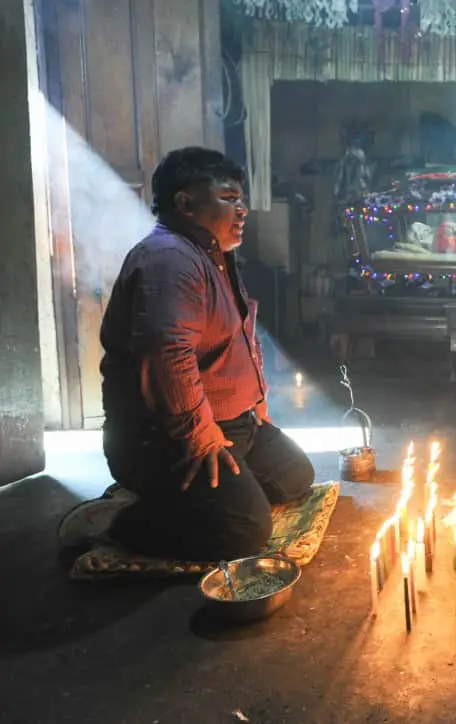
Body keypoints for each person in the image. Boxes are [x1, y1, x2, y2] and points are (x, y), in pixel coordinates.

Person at [98, 147, 315, 561]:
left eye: (241, 200)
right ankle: (124, 524)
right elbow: (168, 356)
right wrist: (199, 438)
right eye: (229, 198)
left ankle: (196, 500)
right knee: (245, 531)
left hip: (233, 425)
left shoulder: (213, 255)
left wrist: (257, 402)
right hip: (168, 438)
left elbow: (239, 339)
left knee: (296, 474)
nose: (243, 210)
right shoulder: (169, 259)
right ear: (185, 202)